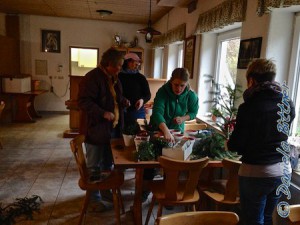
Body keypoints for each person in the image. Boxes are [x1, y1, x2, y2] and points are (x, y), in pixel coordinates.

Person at [227, 59, 295, 225]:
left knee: (253, 220)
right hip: (283, 170)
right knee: (266, 217)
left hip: (257, 172)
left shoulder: (249, 107)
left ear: (252, 80)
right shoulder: (288, 103)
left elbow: (237, 145)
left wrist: (228, 143)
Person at [78, 47, 130, 212]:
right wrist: (103, 113)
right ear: (108, 64)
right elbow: (84, 102)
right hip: (96, 129)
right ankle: (94, 200)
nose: (120, 69)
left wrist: (123, 101)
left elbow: (115, 97)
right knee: (94, 166)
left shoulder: (113, 78)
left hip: (112, 129)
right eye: (119, 66)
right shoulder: (92, 78)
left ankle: (104, 191)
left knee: (108, 163)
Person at [150, 68, 199, 142]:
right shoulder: (162, 92)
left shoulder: (191, 95)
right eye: (176, 85)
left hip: (177, 131)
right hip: (159, 129)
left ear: (186, 83)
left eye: (182, 85)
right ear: (171, 81)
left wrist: (183, 118)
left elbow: (193, 112)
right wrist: (166, 130)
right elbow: (157, 112)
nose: (179, 89)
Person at [118, 53, 151, 125]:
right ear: (127, 62)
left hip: (137, 111)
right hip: (121, 111)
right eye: (133, 63)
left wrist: (142, 100)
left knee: (139, 134)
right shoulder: (118, 76)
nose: (136, 65)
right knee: (122, 134)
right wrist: (123, 100)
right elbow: (115, 93)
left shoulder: (141, 77)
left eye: (137, 64)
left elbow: (148, 95)